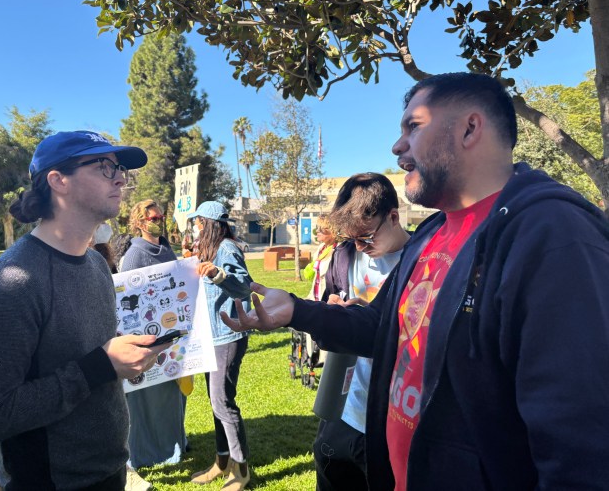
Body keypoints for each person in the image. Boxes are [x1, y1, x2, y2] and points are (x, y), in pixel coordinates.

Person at [222, 73, 609, 489]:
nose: (397, 146)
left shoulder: (552, 232)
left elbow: (580, 442)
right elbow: (380, 327)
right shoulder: (432, 232)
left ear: (469, 128)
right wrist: (298, 310)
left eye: (414, 126)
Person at [0, 130, 174, 490]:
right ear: (58, 181)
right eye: (105, 167)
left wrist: (124, 358)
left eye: (119, 167)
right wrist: (99, 367)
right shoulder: (12, 282)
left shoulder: (96, 266)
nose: (121, 177)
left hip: (110, 471)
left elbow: (85, 356)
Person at [312, 173, 410, 490]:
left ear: (393, 217)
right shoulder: (344, 255)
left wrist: (367, 318)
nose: (359, 246)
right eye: (351, 237)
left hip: (395, 417)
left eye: (366, 238)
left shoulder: (424, 261)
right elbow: (329, 301)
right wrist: (333, 310)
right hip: (345, 406)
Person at [189, 201, 253, 490]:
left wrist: (218, 274)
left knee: (223, 403)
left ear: (209, 223)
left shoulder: (226, 248)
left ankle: (241, 471)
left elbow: (243, 286)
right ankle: (222, 461)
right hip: (210, 337)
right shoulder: (209, 248)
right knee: (217, 403)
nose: (195, 226)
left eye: (198, 221)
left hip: (226, 337)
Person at [121, 199, 187, 473]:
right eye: (152, 218)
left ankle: (173, 444)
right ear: (139, 223)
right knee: (148, 399)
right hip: (147, 338)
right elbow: (128, 299)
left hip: (171, 337)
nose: (158, 220)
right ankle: (148, 452)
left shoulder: (166, 250)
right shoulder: (135, 255)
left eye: (161, 216)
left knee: (172, 396)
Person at [304, 214, 336, 302]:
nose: (317, 231)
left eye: (321, 229)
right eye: (317, 227)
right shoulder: (321, 248)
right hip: (316, 299)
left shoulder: (338, 250)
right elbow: (317, 278)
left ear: (333, 231)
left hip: (328, 302)